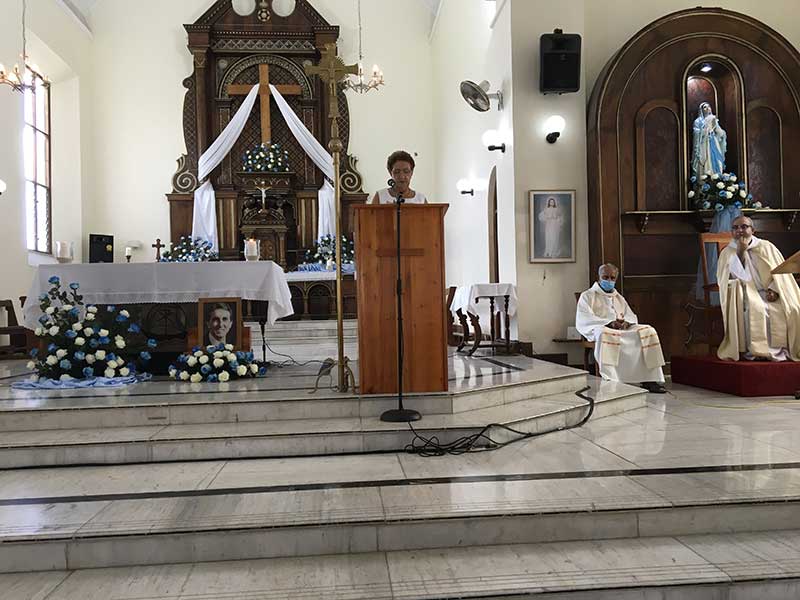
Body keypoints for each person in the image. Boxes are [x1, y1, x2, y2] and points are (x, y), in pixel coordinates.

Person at [717, 215, 800, 361]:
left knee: (789, 308)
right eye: (735, 228)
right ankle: (757, 351)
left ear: (753, 230)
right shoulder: (728, 252)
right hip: (745, 293)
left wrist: (774, 289)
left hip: (769, 291)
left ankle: (781, 349)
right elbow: (729, 279)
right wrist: (740, 252)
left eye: (744, 227)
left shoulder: (766, 247)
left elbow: (780, 273)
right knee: (756, 309)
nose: (740, 230)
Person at [576, 263, 667, 393]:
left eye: (612, 278)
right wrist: (609, 323)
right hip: (603, 328)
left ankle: (650, 380)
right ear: (599, 277)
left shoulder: (619, 297)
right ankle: (612, 380)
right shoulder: (588, 296)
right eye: (605, 277)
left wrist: (626, 323)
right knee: (603, 333)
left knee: (648, 330)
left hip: (622, 328)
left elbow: (630, 316)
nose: (609, 281)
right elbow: (584, 318)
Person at [692, 101, 727, 177]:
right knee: (705, 162)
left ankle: (716, 178)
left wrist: (722, 133)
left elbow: (719, 133)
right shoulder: (698, 121)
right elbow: (696, 133)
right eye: (705, 107)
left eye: (709, 106)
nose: (707, 108)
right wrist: (705, 130)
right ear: (701, 110)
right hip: (703, 144)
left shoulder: (714, 119)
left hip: (713, 142)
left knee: (717, 161)